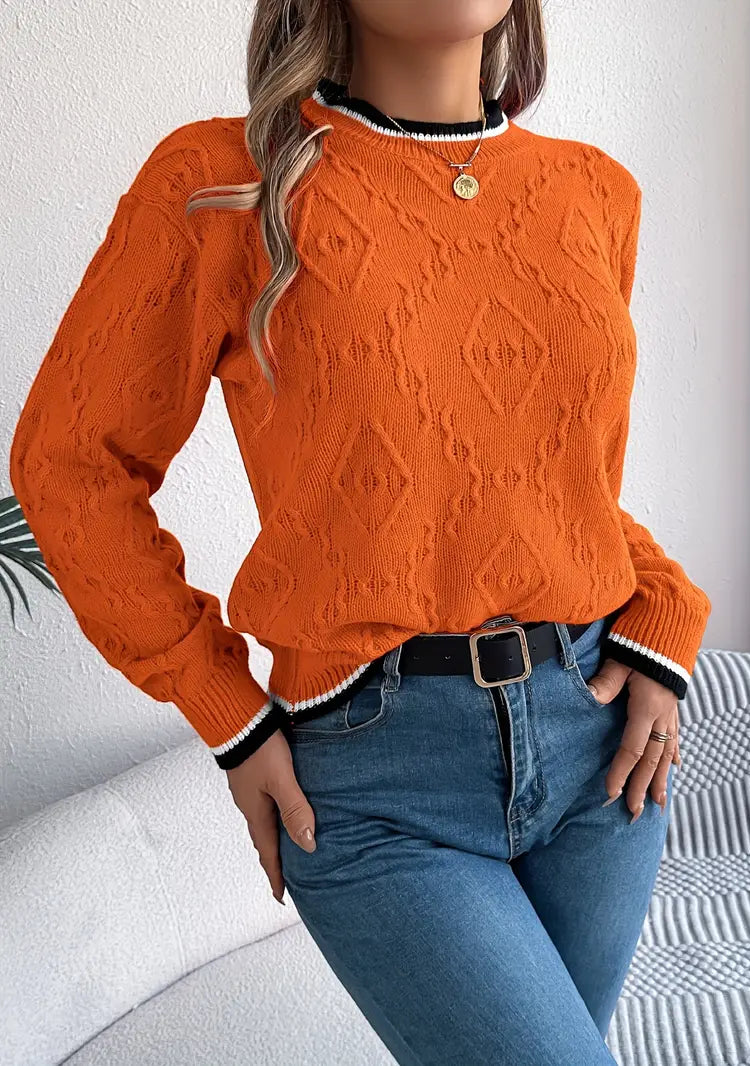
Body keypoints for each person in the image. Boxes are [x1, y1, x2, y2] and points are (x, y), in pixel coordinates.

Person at [9, 1, 712, 1062]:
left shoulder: (594, 190)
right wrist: (228, 712)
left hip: (599, 752)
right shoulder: (224, 182)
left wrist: (665, 606)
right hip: (378, 776)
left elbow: (543, 486)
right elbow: (70, 465)